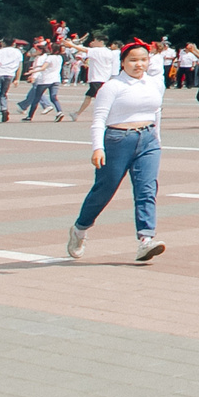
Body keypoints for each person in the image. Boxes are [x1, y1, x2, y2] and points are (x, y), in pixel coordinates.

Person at [68, 40, 169, 264]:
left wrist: (157, 140)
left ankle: (145, 240)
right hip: (117, 140)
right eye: (133, 60)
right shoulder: (112, 86)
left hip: (148, 140)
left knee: (146, 190)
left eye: (143, 60)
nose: (138, 64)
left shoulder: (154, 83)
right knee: (104, 190)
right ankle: (80, 229)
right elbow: (99, 120)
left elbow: (157, 113)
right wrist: (97, 147)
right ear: (122, 62)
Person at [20, 41, 66, 121]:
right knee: (53, 97)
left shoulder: (49, 57)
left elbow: (43, 68)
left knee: (36, 98)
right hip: (56, 79)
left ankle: (30, 116)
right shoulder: (59, 57)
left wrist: (31, 72)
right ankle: (59, 111)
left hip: (45, 79)